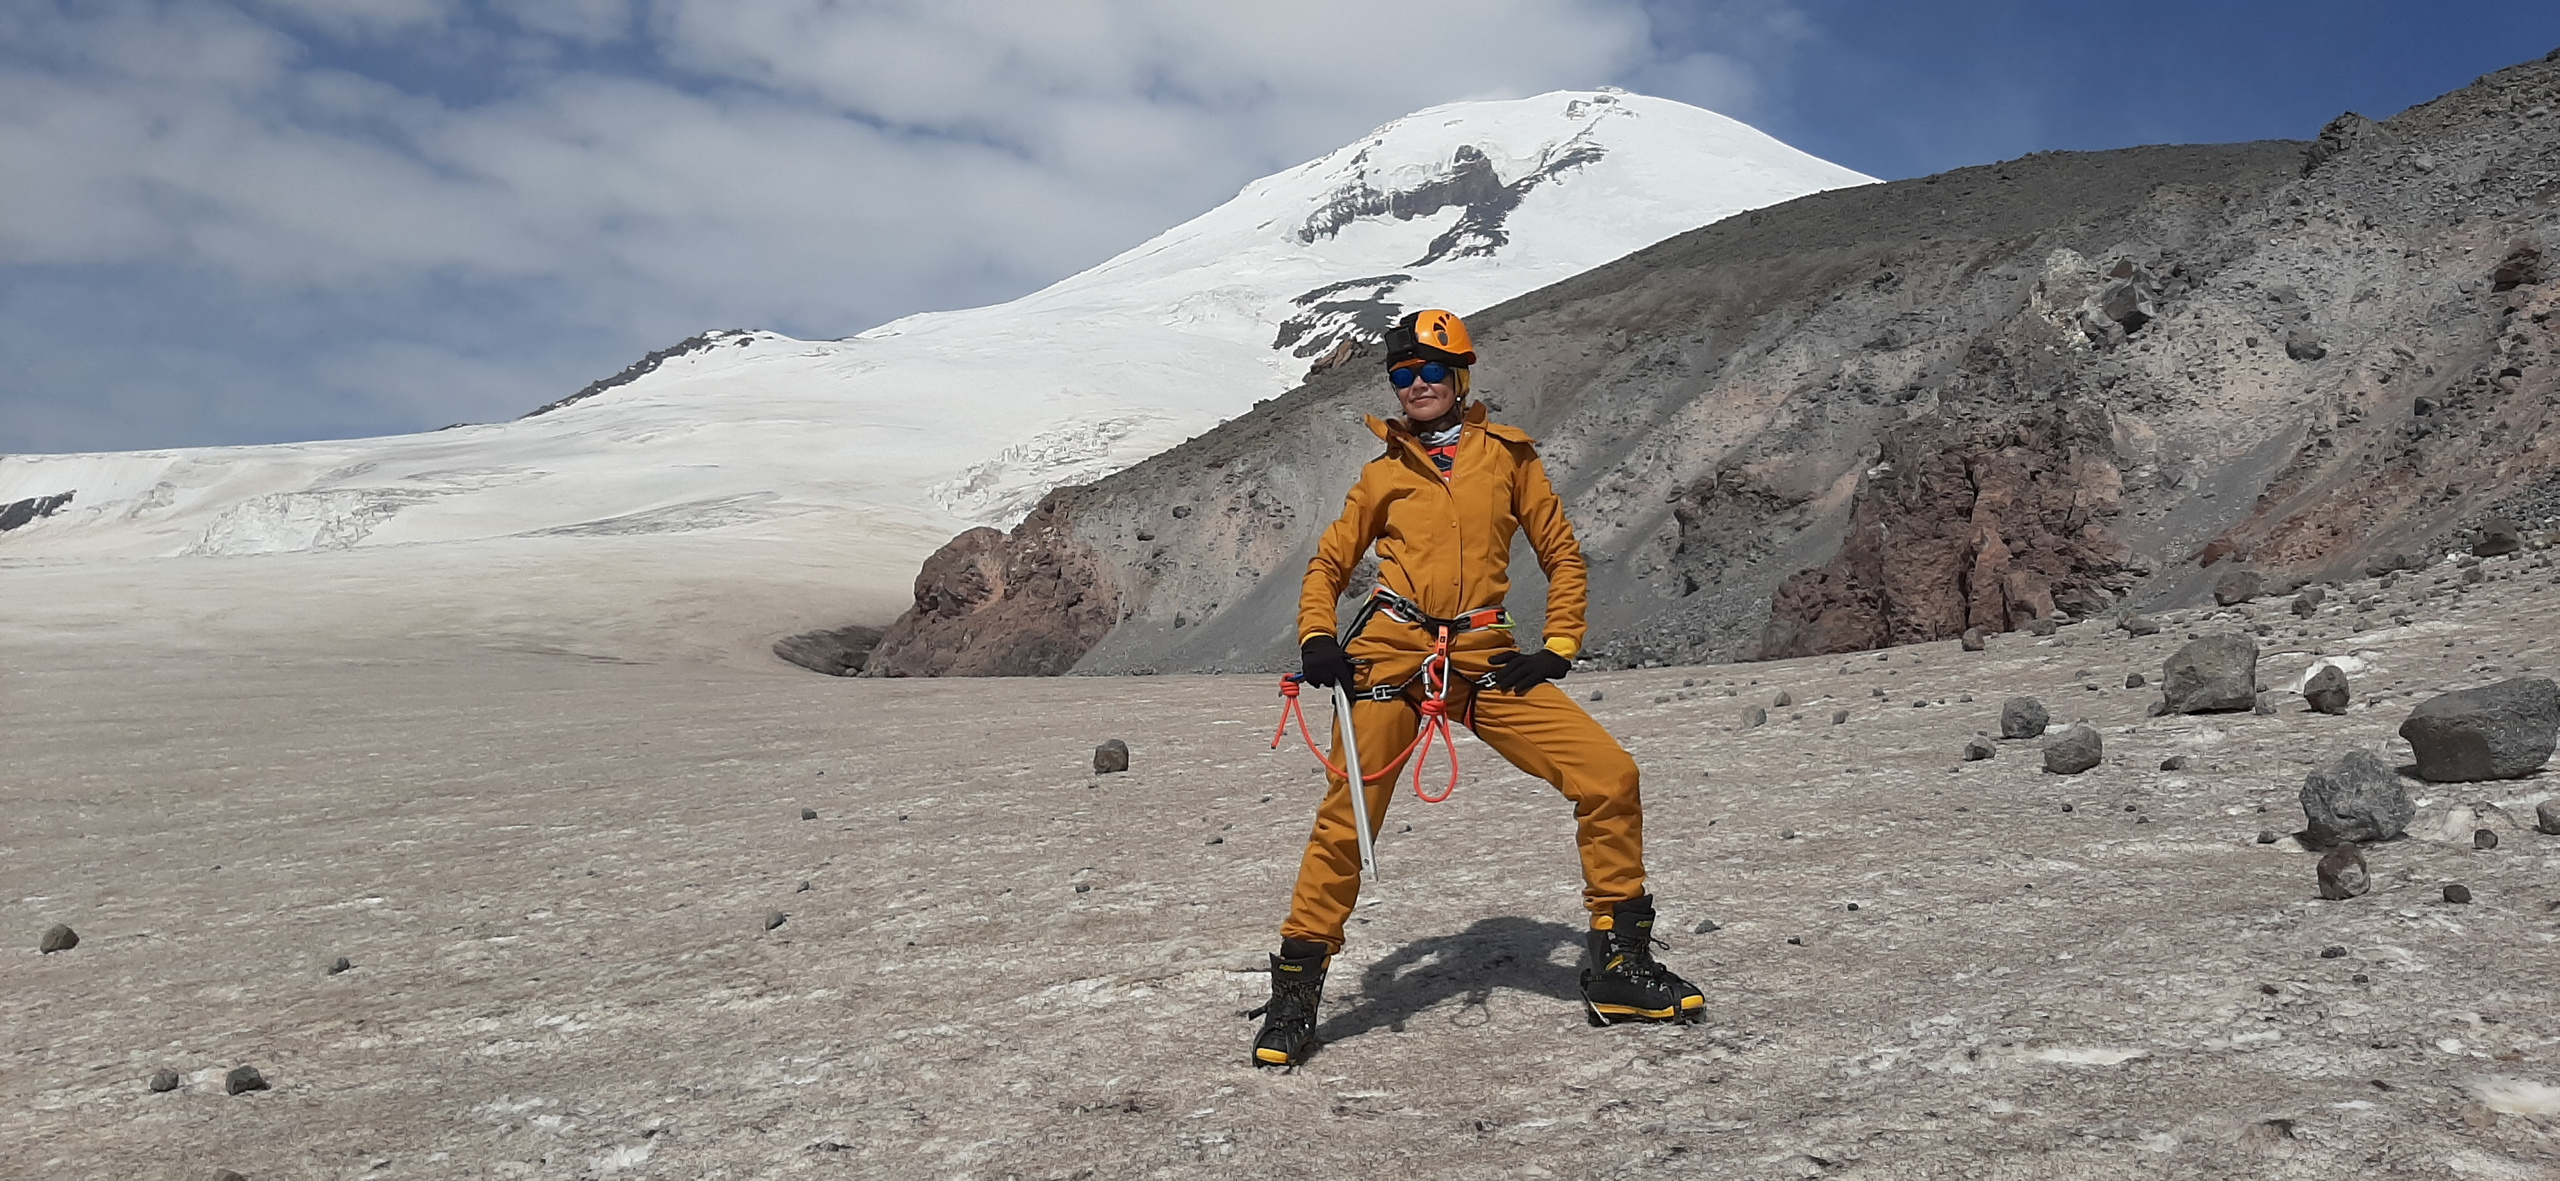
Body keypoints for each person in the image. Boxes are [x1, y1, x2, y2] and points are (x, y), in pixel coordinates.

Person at [1250, 309, 1704, 1068]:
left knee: (1609, 775)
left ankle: (1620, 970)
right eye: (1402, 374)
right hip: (1392, 658)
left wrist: (1558, 645)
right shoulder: (1383, 474)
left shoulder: (1510, 458)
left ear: (1460, 377)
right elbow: (1328, 566)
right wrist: (1319, 637)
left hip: (1487, 657)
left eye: (1430, 371)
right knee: (1347, 821)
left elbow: (1561, 553)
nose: (1416, 385)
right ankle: (1296, 996)